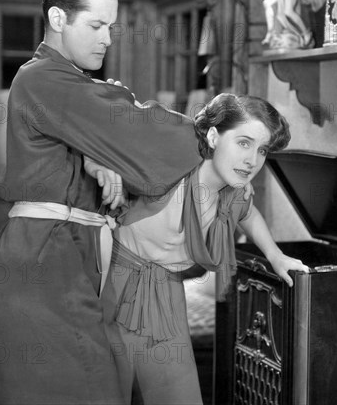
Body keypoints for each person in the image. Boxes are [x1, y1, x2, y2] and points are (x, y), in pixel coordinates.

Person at [0, 0, 205, 405]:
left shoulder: (67, 82)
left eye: (111, 26)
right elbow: (134, 130)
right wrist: (211, 132)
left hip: (69, 250)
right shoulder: (41, 78)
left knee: (97, 385)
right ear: (57, 19)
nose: (107, 38)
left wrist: (96, 154)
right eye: (96, 25)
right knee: (82, 390)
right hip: (46, 257)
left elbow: (104, 130)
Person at [86, 93, 309, 404]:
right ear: (215, 136)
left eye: (262, 150)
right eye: (243, 143)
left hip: (165, 291)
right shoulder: (172, 160)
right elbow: (99, 127)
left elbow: (248, 214)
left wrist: (275, 255)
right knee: (105, 390)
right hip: (114, 279)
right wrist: (95, 164)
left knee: (179, 395)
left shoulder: (234, 191)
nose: (252, 160)